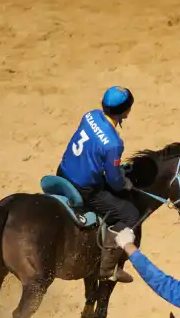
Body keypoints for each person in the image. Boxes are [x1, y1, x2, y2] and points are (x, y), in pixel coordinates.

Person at [56, 86, 142, 282]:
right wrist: (124, 185)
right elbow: (113, 180)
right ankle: (108, 268)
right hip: (84, 188)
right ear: (126, 112)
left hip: (63, 172)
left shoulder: (90, 115)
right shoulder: (114, 143)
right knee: (130, 214)